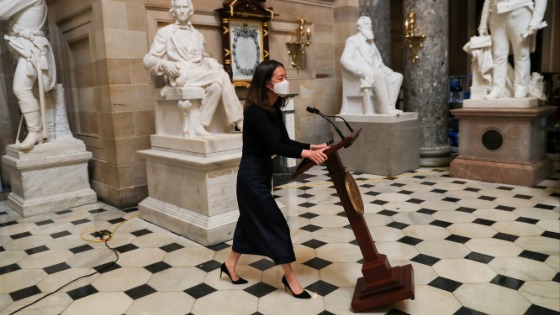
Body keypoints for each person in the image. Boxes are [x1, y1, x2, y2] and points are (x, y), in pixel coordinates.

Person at [221, 60, 329, 299]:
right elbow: (274, 145)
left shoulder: (274, 109)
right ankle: (289, 277)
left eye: (284, 76)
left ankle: (229, 264)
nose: (285, 81)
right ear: (267, 83)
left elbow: (286, 142)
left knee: (248, 222)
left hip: (260, 174)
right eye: (280, 78)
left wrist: (311, 146)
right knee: (276, 224)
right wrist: (307, 154)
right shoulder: (254, 112)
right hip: (250, 178)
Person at [143, 0, 243, 136]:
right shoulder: (164, 33)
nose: (182, 10)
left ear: (191, 11)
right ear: (173, 11)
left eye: (185, 7)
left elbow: (202, 58)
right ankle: (239, 120)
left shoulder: (198, 35)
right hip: (180, 75)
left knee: (217, 86)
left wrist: (210, 61)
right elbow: (148, 59)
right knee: (222, 76)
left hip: (196, 73)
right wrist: (164, 64)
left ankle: (200, 124)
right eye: (178, 7)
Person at [1, 0, 56, 150]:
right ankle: (38, 131)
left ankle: (35, 132)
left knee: (21, 89)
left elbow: (2, 11)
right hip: (27, 48)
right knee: (30, 91)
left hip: (32, 50)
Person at [478, 0, 548, 99]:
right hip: (496, 13)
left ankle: (521, 88)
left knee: (521, 53)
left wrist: (536, 21)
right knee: (498, 55)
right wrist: (483, 24)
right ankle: (498, 88)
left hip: (520, 10)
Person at [340, 16, 402, 115]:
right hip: (362, 75)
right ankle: (386, 109)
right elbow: (344, 59)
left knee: (397, 77)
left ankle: (389, 106)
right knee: (378, 75)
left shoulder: (371, 43)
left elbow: (376, 61)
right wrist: (361, 70)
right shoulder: (352, 40)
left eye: (370, 24)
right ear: (359, 27)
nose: (369, 26)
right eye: (366, 24)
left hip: (376, 71)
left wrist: (386, 69)